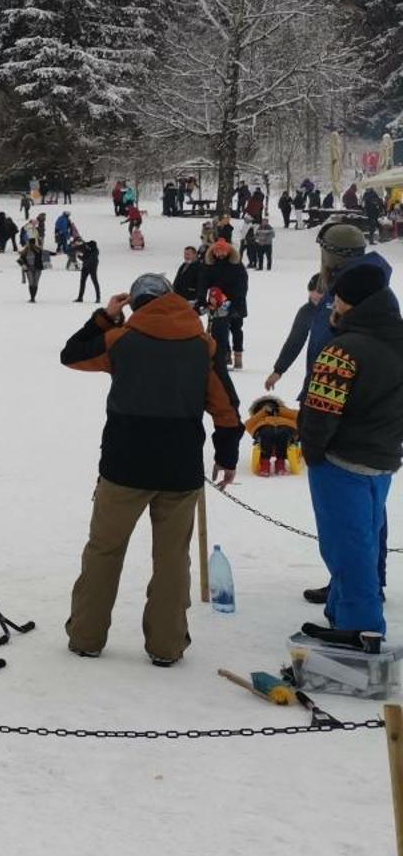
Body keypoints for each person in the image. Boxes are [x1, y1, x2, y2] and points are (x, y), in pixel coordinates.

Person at [59, 272, 241, 664]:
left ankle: (87, 636)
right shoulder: (201, 345)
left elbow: (72, 354)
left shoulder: (122, 339)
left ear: (136, 304)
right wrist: (226, 455)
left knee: (104, 552)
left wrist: (105, 317)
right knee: (173, 559)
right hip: (180, 468)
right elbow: (226, 407)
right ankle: (166, 645)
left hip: (124, 465)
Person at [296, 260, 402, 647]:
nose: (333, 304)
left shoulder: (342, 349)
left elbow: (321, 412)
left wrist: (313, 451)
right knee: (365, 538)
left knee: (346, 544)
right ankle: (343, 611)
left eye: (338, 297)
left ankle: (360, 626)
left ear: (354, 302)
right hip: (383, 460)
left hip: (341, 461)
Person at [200, 240, 249, 368]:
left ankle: (238, 355)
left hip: (236, 302)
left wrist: (235, 302)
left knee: (236, 329)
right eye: (217, 251)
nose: (219, 254)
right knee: (219, 329)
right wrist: (202, 299)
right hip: (217, 302)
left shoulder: (237, 266)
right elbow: (203, 283)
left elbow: (242, 286)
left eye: (222, 251)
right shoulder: (210, 266)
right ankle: (224, 355)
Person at [74, 238, 100, 303]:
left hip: (92, 268)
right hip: (85, 267)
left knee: (95, 282)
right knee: (82, 282)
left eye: (88, 246)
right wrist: (78, 255)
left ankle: (98, 298)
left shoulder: (95, 252)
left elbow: (86, 259)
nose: (87, 247)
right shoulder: (88, 249)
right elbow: (84, 256)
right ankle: (80, 298)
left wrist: (80, 257)